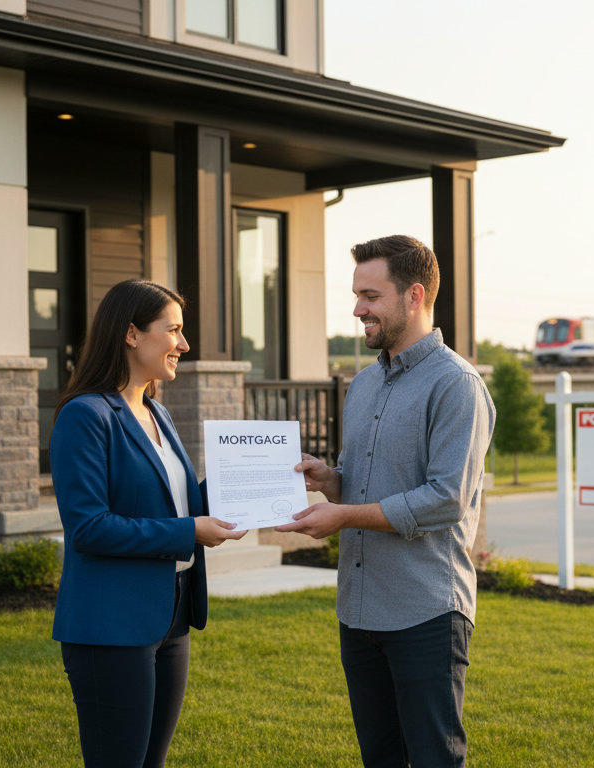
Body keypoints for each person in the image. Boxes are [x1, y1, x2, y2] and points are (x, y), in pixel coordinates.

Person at [279, 235, 495, 767]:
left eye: (370, 296)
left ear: (414, 296)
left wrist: (343, 515)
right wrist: (331, 479)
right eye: (357, 296)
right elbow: (367, 479)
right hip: (358, 608)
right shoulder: (364, 384)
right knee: (380, 757)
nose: (358, 310)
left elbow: (446, 498)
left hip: (425, 610)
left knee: (432, 759)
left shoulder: (457, 384)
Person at [49, 279, 247, 768]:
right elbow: (89, 528)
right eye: (174, 330)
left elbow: (173, 502)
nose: (184, 344)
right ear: (132, 334)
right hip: (111, 625)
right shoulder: (85, 416)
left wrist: (249, 481)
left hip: (171, 615)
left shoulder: (157, 410)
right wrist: (190, 533)